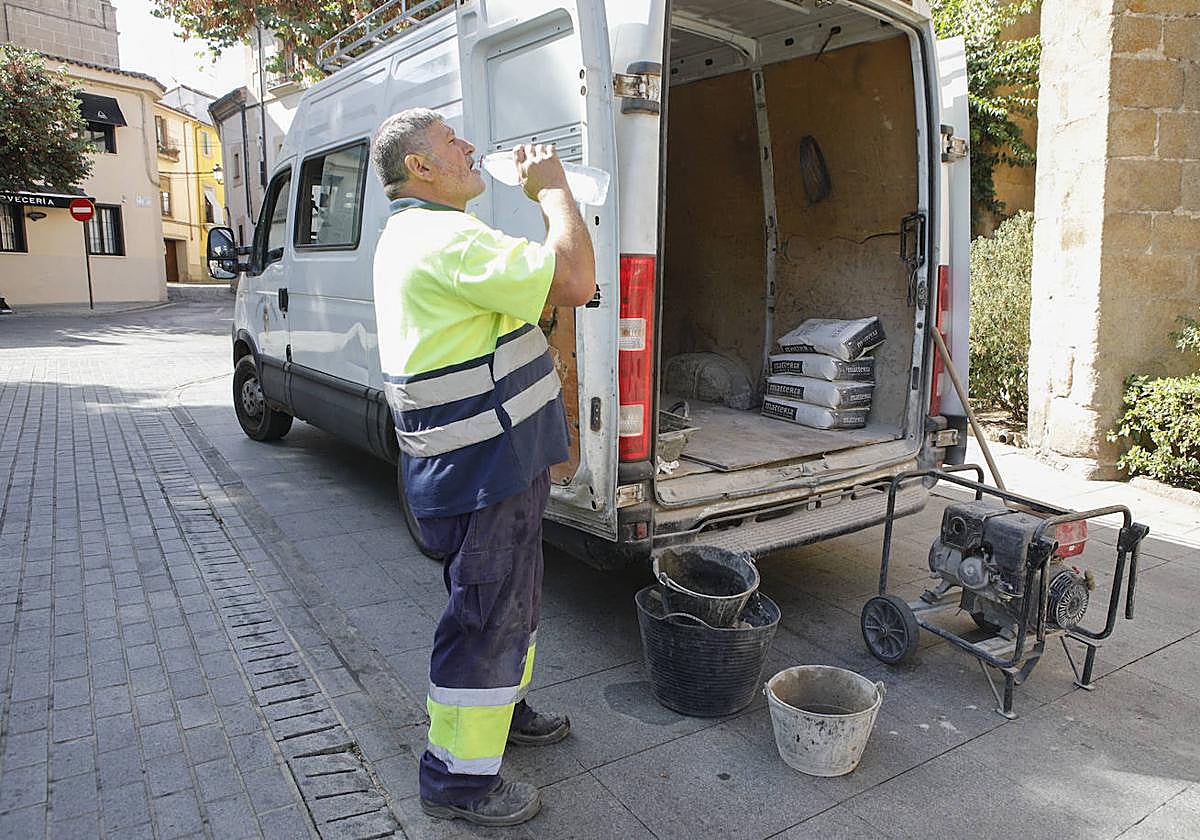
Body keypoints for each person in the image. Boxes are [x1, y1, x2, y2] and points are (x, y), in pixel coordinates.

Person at [369, 108, 596, 827]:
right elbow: (576, 279)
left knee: (512, 605)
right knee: (485, 619)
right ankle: (458, 781)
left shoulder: (428, 235)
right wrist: (554, 189)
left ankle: (502, 714)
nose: (470, 146)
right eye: (450, 141)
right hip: (479, 470)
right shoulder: (445, 240)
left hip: (495, 463)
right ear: (420, 168)